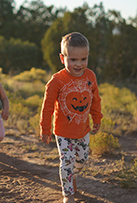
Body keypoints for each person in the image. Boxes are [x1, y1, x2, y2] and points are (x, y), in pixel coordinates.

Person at [40, 32, 103, 203]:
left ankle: (72, 176)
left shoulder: (90, 76)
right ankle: (67, 194)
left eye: (83, 59)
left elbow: (95, 99)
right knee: (67, 161)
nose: (79, 64)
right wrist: (45, 129)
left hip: (83, 130)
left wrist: (97, 118)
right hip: (63, 131)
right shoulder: (57, 81)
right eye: (73, 60)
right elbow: (47, 107)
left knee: (82, 160)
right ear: (62, 58)